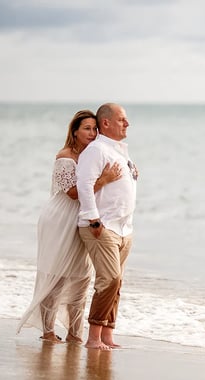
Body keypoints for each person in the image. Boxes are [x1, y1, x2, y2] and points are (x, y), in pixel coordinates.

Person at [17, 110, 122, 343]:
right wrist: (104, 180)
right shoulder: (66, 157)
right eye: (87, 128)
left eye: (95, 129)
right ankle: (47, 332)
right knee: (58, 274)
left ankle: (75, 333)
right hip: (61, 219)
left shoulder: (93, 155)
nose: (92, 133)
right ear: (74, 131)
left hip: (84, 218)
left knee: (82, 276)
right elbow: (74, 194)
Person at [76, 102, 139, 350]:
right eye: (122, 119)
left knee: (118, 282)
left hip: (124, 228)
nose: (127, 123)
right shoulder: (96, 150)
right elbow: (84, 185)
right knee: (109, 280)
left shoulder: (121, 151)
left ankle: (107, 335)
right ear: (106, 123)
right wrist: (93, 219)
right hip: (102, 226)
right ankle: (92, 338)